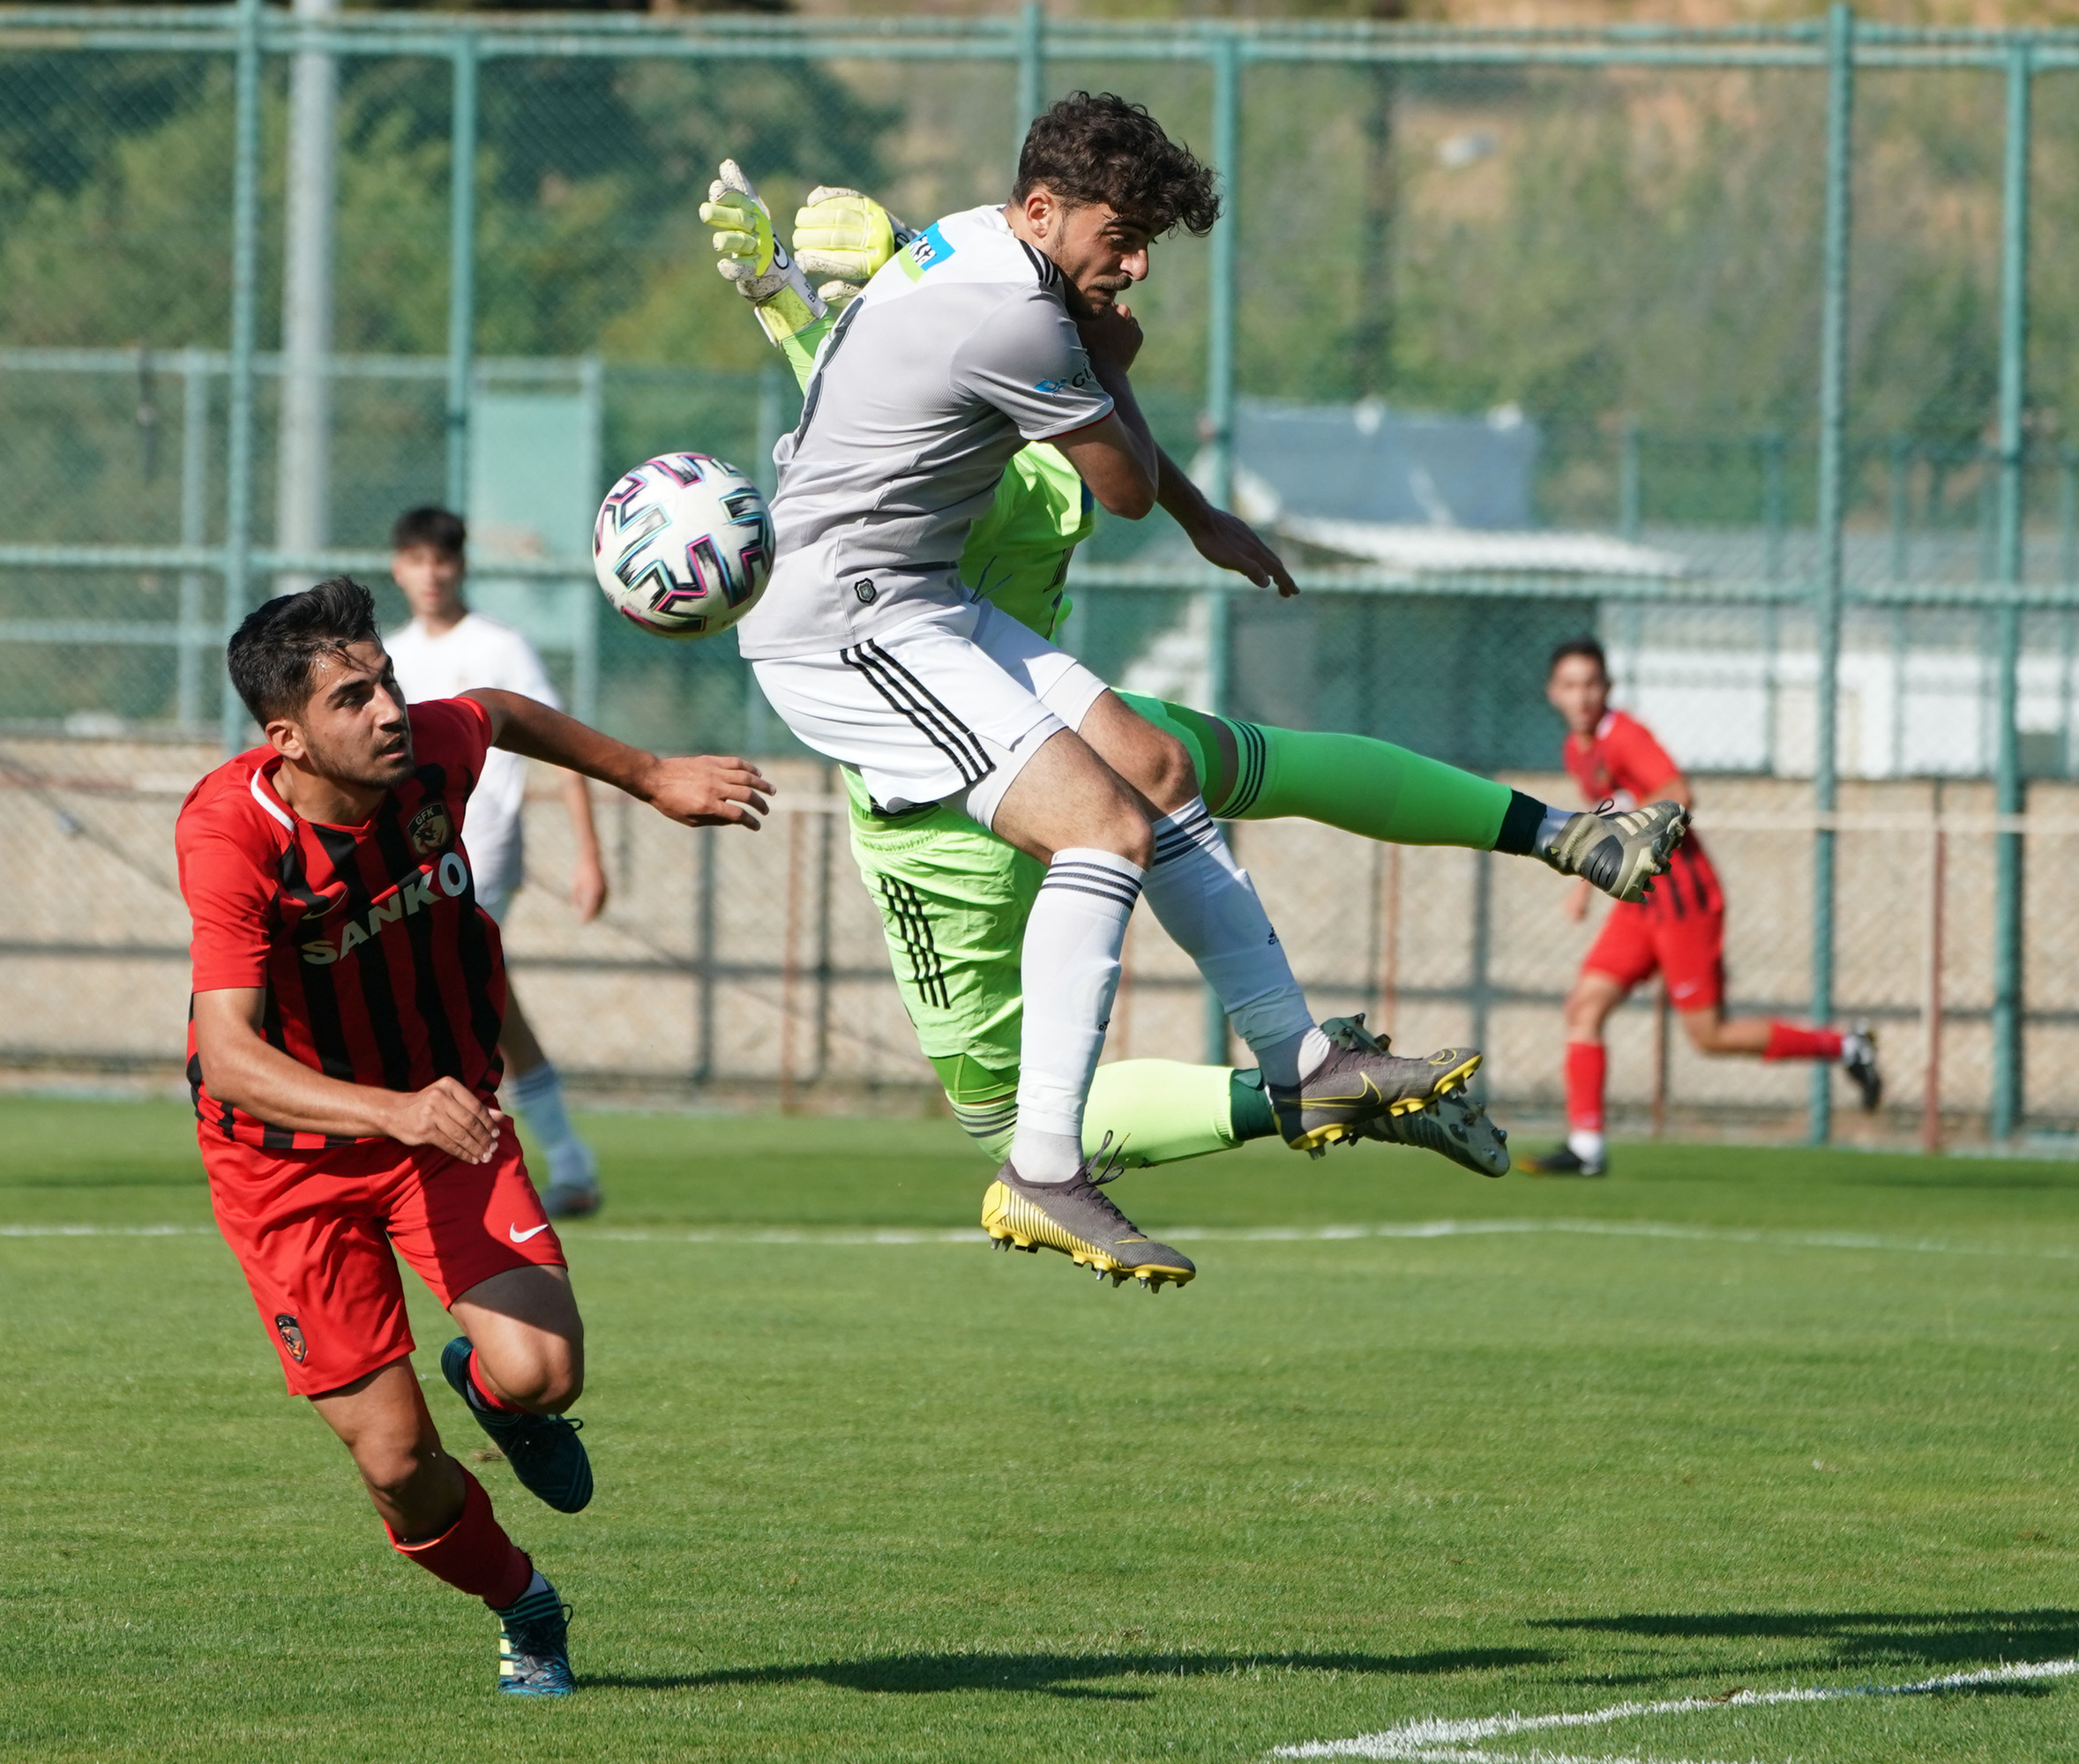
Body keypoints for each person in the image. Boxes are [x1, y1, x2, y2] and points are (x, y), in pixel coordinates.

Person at [699, 167, 1690, 1207]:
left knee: (1004, 1110)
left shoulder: (960, 407)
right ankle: (1558, 835)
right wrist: (876, 268)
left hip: (939, 793)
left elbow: (851, 437)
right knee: (1272, 761)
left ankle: (1271, 1101)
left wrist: (794, 299)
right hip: (1051, 708)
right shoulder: (1043, 464)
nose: (1121, 284)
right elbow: (1022, 403)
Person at [177, 579, 770, 1696]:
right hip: (287, 1166)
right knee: (400, 1465)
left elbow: (499, 707)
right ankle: (524, 1601)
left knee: (541, 1373)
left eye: (388, 680)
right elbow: (231, 1055)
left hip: (441, 1124)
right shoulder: (231, 836)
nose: (391, 709)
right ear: (286, 736)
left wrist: (652, 777)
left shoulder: (432, 753)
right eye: (354, 697)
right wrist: (394, 1110)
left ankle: (493, 1390)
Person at [1529, 638, 1881, 1177]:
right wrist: (1583, 883)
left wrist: (1639, 819)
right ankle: (1587, 1148)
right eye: (1571, 686)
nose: (1582, 696)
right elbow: (1609, 815)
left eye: (1591, 684)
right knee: (1584, 1007)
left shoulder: (1625, 735)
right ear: (1553, 692)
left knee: (1709, 1036)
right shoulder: (1577, 749)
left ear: (1608, 689)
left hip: (1681, 900)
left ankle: (1846, 1046)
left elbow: (1679, 791)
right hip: (1639, 904)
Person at [380, 506, 608, 1218]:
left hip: (483, 855)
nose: (431, 574)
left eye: (442, 560)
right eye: (417, 560)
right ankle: (567, 1160)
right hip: (403, 860)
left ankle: (467, 1169)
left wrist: (588, 854)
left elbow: (561, 747)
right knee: (486, 1001)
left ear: (461, 566)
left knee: (448, 997)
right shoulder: (386, 655)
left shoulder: (501, 647)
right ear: (398, 568)